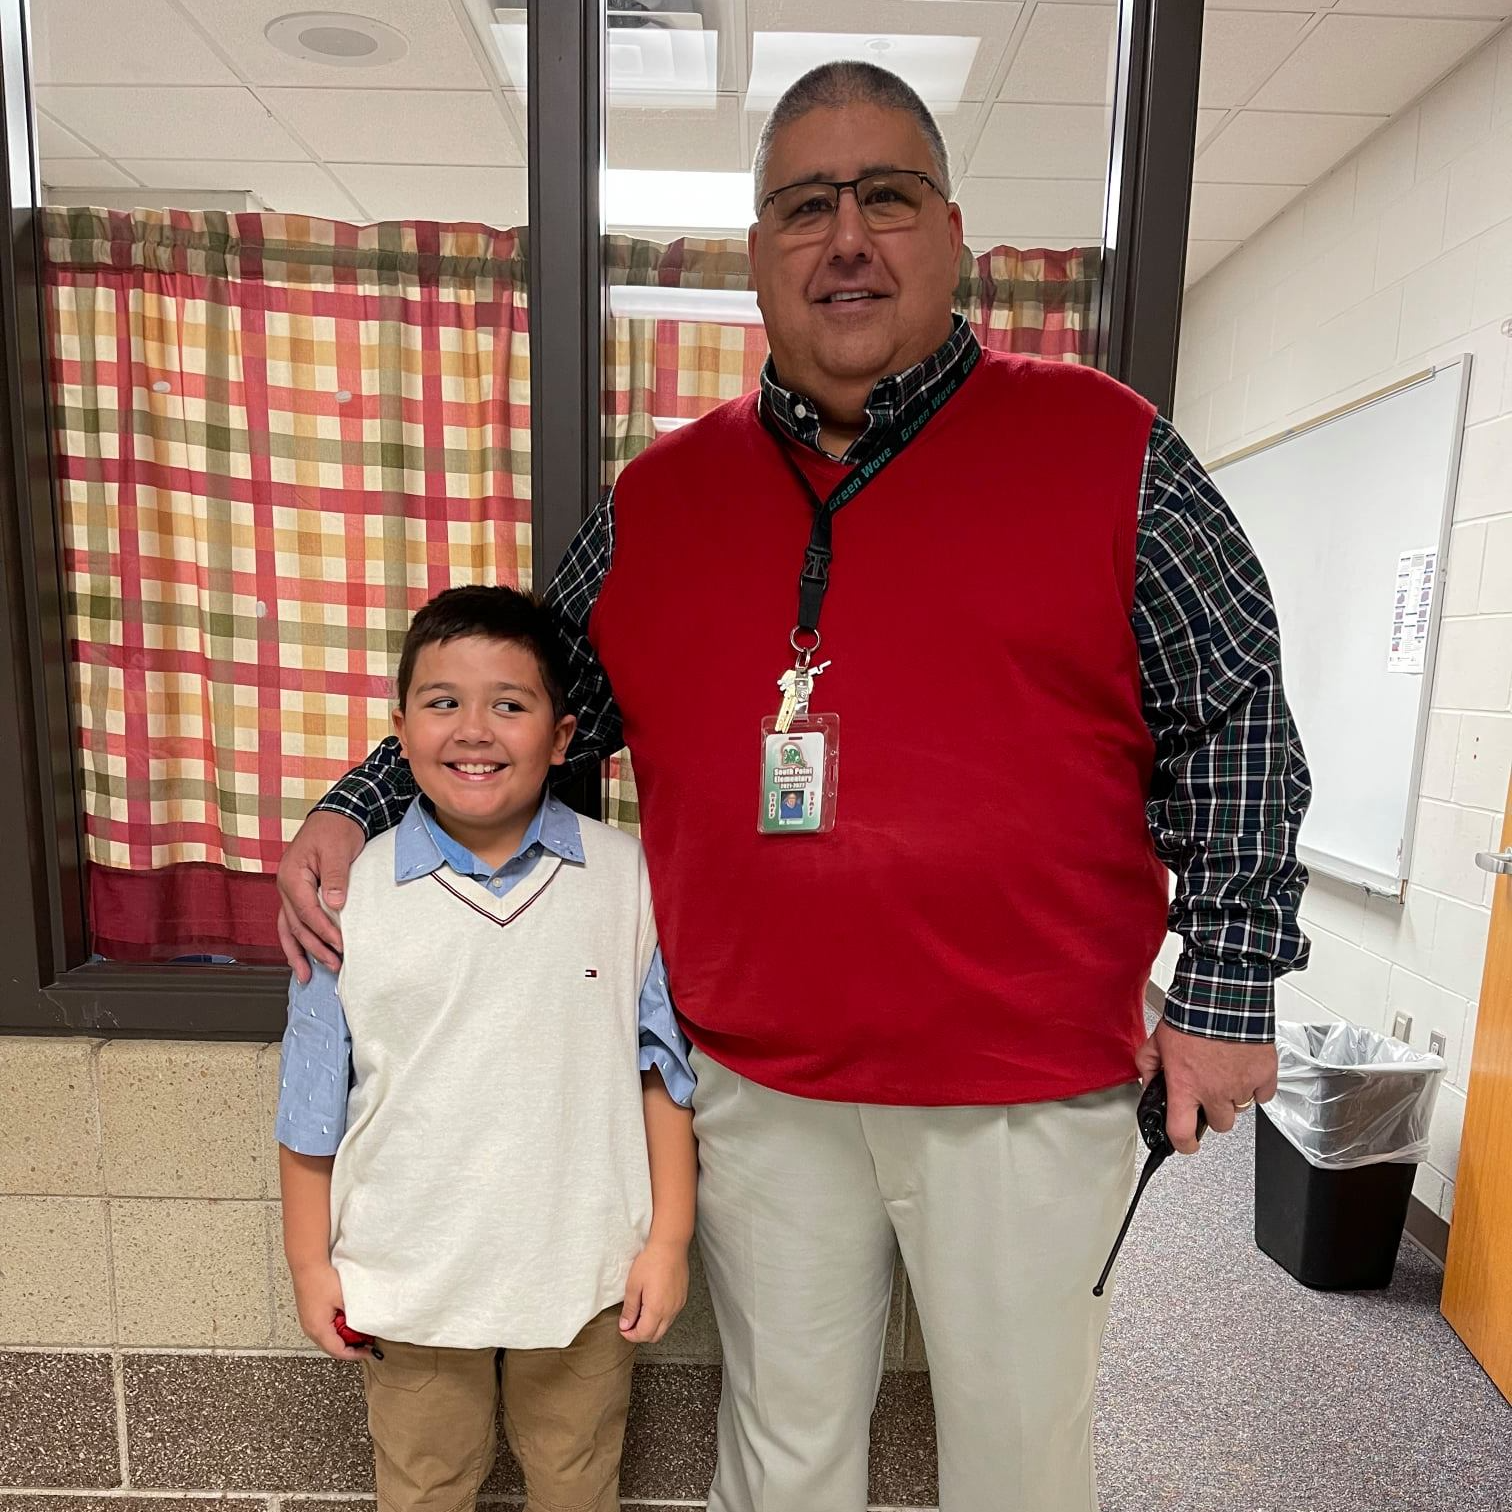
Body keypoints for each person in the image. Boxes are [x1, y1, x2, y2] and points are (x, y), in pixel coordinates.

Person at [276, 62, 1311, 1512]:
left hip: (1028, 1087)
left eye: (884, 197)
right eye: (803, 206)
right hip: (757, 1086)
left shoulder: (1114, 450)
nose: (846, 238)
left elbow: (1236, 718)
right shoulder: (660, 500)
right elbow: (526, 702)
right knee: (782, 1453)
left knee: (1022, 1465)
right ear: (756, 256)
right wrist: (357, 803)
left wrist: (1230, 991)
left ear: (951, 233)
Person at [275, 586, 696, 1512]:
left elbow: (663, 1074)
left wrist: (667, 1239)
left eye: (510, 704)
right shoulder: (342, 898)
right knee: (424, 1488)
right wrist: (312, 1266)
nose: (474, 729)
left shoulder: (628, 881)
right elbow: (309, 1110)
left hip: (581, 1274)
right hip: (410, 1277)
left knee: (578, 1484)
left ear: (562, 735)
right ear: (399, 727)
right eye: (442, 703)